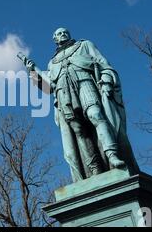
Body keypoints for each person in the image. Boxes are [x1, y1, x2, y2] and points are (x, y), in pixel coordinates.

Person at [21, 27, 139, 182]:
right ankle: (94, 168)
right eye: (58, 33)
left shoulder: (84, 45)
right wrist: (33, 72)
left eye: (64, 32)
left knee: (95, 114)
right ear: (54, 39)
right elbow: (48, 87)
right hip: (64, 94)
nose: (62, 34)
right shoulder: (52, 63)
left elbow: (103, 63)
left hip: (85, 83)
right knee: (78, 130)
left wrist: (107, 80)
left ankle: (112, 156)